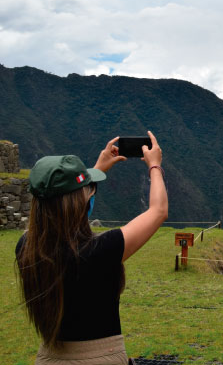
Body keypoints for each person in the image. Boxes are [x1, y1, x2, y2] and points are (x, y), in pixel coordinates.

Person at [15, 132, 167, 364]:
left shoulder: (26, 247)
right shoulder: (100, 251)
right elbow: (158, 211)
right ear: (80, 201)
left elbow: (63, 218)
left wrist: (96, 170)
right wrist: (154, 166)